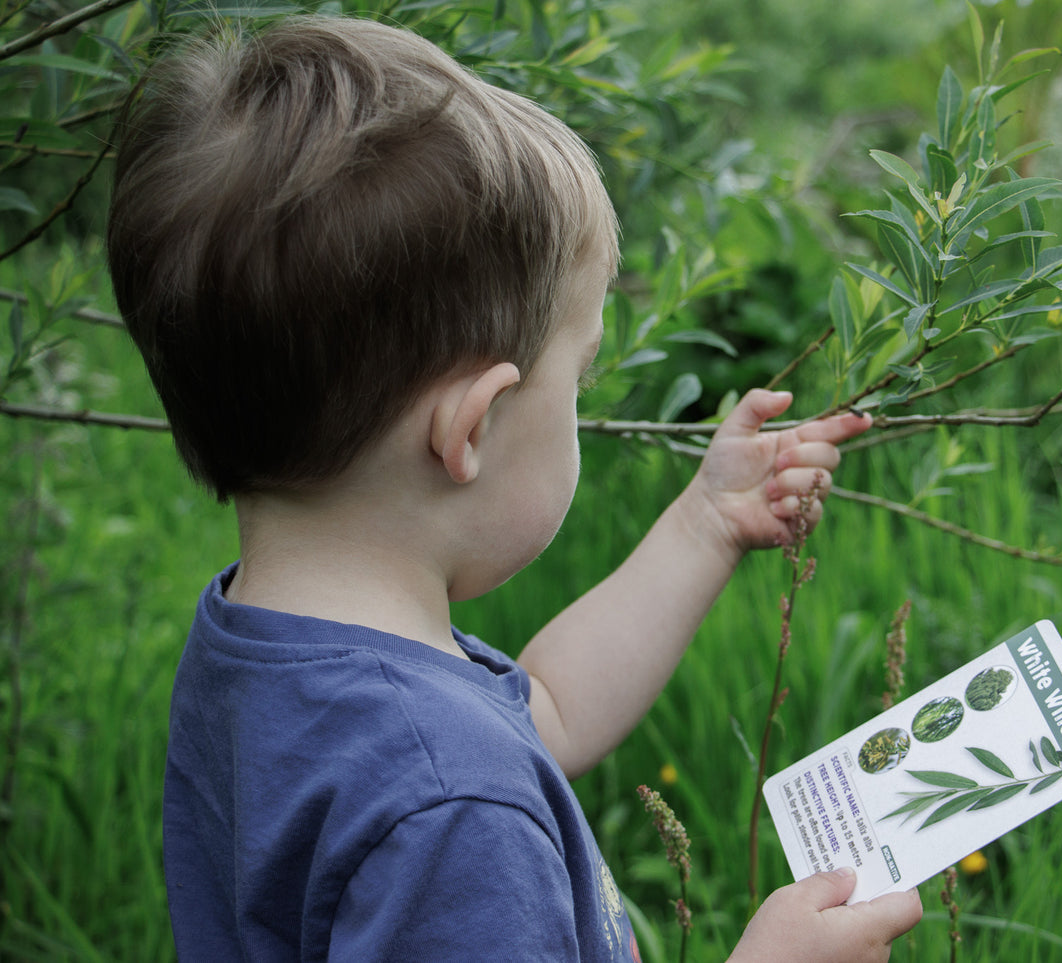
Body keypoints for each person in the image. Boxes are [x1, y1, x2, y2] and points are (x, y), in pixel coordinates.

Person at [106, 15, 922, 962]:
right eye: (574, 381)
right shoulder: (451, 816)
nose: (576, 403)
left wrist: (705, 524)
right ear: (473, 429)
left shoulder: (274, 648)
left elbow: (538, 717)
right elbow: (478, 760)